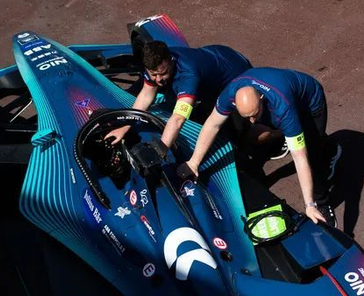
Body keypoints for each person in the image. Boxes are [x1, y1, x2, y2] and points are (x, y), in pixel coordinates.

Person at [177, 67, 342, 227]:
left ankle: (322, 201)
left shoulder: (283, 108)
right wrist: (194, 162)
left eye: (254, 114)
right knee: (253, 134)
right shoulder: (230, 93)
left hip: (310, 103)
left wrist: (309, 204)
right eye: (247, 116)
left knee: (312, 155)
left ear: (261, 98)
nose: (252, 120)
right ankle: (283, 142)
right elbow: (212, 125)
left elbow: (300, 158)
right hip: (279, 99)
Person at [105, 41, 268, 153]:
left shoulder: (188, 76)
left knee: (242, 135)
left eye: (163, 73)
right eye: (154, 75)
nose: (158, 80)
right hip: (216, 60)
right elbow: (146, 96)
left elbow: (178, 119)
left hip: (236, 75)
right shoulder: (155, 65)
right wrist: (126, 126)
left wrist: (160, 150)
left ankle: (273, 136)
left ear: (171, 61)